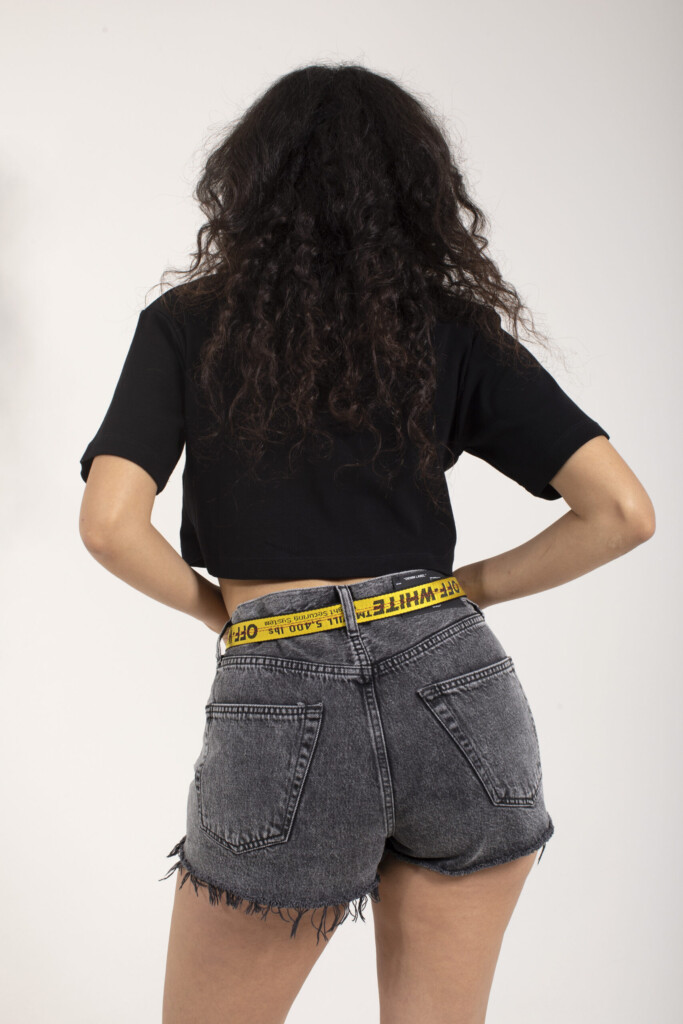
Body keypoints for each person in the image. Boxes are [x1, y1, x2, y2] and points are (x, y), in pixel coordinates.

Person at [78, 63, 655, 1024]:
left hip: (282, 683)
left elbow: (108, 525)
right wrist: (463, 590)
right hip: (456, 681)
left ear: (248, 181)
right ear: (418, 190)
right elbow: (622, 513)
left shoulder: (186, 325)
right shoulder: (449, 327)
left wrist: (226, 613)